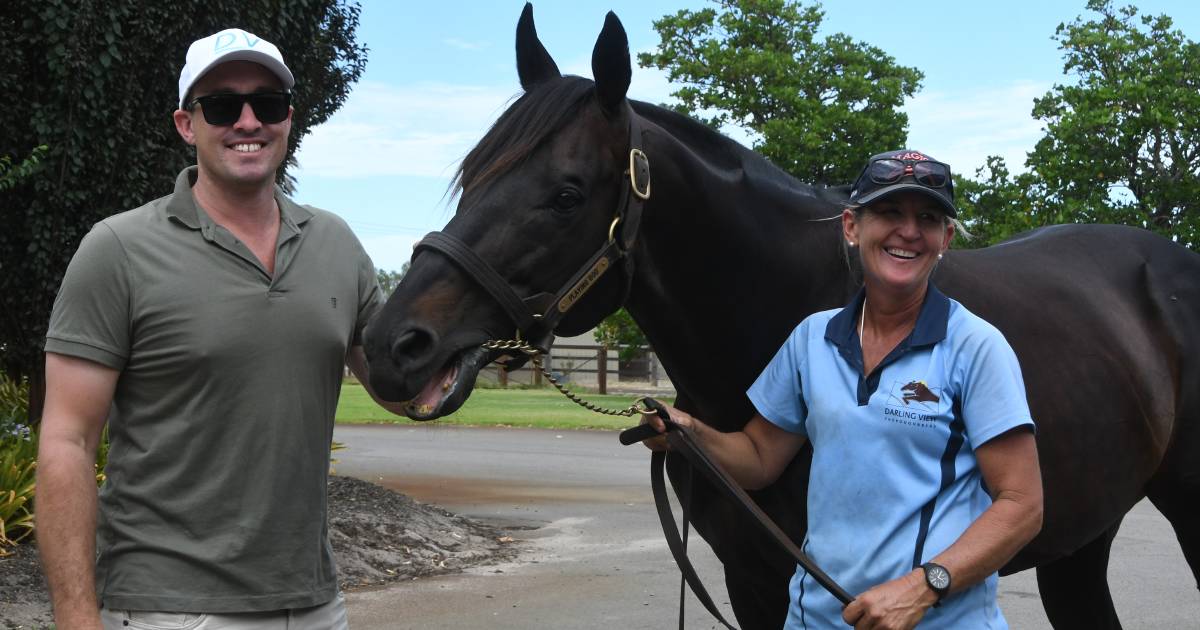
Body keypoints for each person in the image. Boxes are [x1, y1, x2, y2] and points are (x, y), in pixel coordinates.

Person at [36, 28, 403, 630]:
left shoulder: (336, 243)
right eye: (224, 106)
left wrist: (500, 317)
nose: (249, 121)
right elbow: (66, 441)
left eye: (269, 103)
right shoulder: (119, 249)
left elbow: (401, 387)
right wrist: (77, 619)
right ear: (187, 124)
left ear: (290, 119)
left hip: (315, 605)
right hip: (169, 609)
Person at [640, 150, 1044, 629]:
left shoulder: (976, 347)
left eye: (928, 218)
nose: (909, 231)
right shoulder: (813, 338)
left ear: (945, 239)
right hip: (815, 618)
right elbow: (759, 458)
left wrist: (924, 587)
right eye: (890, 212)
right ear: (851, 227)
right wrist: (689, 432)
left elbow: (1022, 505)